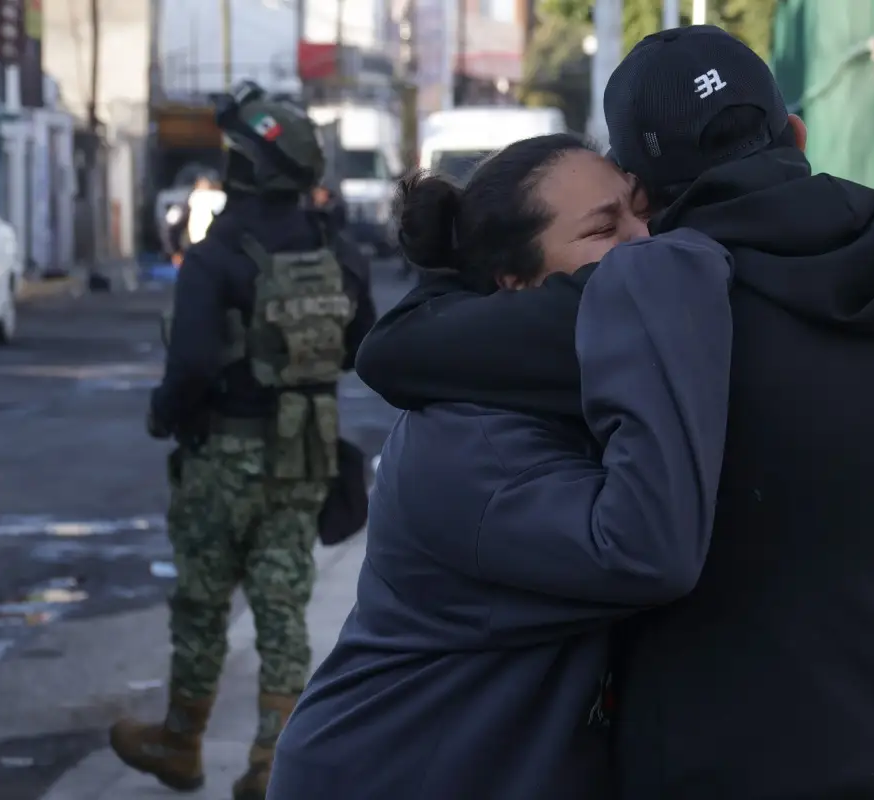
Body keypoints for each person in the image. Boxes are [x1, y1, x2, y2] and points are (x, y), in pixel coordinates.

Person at [357, 25, 874, 800]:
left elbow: (401, 351)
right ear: (796, 132)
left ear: (644, 194)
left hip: (729, 769)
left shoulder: (664, 309)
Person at [268, 133, 735, 799]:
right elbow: (642, 548)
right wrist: (683, 271)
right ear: (517, 285)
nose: (647, 241)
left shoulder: (552, 395)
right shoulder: (470, 445)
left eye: (642, 213)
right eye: (606, 228)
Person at [109, 80, 378, 800]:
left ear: (248, 169)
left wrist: (165, 415)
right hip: (304, 454)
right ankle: (270, 762)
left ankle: (181, 743)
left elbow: (191, 363)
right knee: (283, 605)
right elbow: (361, 347)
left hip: (223, 455)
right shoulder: (338, 250)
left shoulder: (219, 254)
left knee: (201, 601)